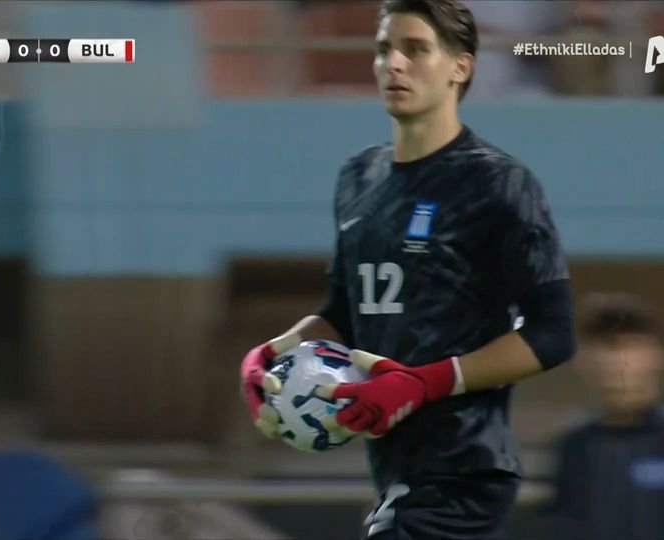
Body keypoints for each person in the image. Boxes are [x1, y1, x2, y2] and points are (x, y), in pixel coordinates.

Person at [239, 1, 576, 538]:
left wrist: (420, 384)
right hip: (397, 472)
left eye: (415, 49)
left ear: (460, 67)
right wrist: (270, 354)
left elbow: (553, 334)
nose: (394, 63)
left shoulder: (497, 183)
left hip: (464, 470)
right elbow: (344, 312)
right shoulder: (358, 177)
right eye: (384, 49)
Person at [547, 292, 664, 540]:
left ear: (657, 356)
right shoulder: (574, 443)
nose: (615, 362)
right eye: (605, 347)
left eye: (627, 347)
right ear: (584, 361)